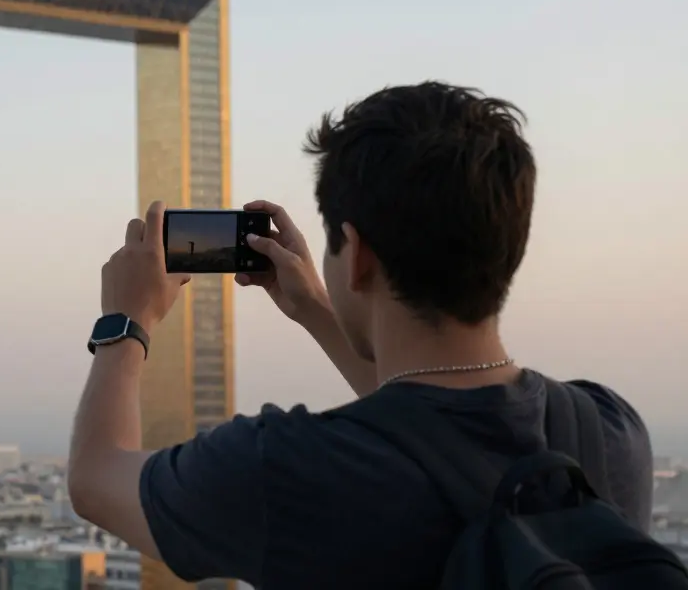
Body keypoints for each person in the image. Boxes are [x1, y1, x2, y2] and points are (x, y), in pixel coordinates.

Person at [67, 82, 652, 588]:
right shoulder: (609, 434)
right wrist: (320, 311)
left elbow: (96, 479)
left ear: (358, 257)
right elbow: (437, 421)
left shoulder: (285, 470)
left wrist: (128, 320)